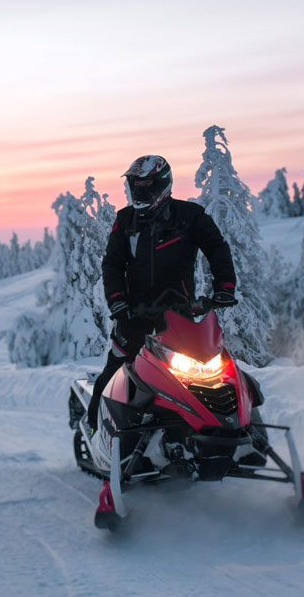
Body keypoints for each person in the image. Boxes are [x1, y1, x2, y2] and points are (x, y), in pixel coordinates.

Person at [87, 155, 238, 432]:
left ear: (163, 185)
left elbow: (216, 247)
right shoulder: (125, 220)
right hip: (135, 314)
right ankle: (95, 432)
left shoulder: (189, 216)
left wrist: (224, 288)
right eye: (136, 186)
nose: (140, 192)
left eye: (146, 186)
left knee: (209, 372)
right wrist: (118, 301)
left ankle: (231, 430)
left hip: (180, 315)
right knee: (117, 370)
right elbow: (112, 262)